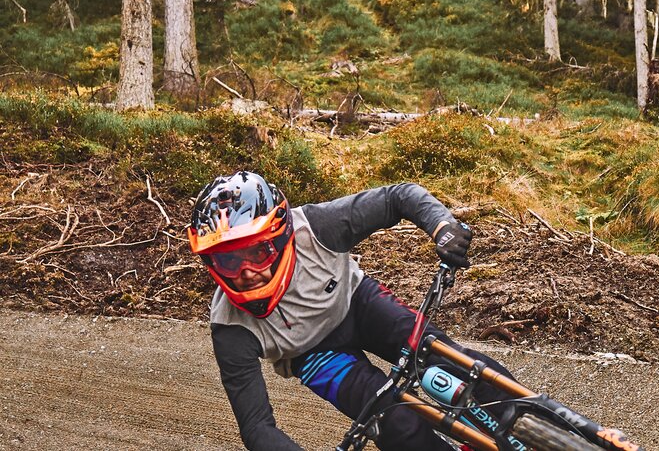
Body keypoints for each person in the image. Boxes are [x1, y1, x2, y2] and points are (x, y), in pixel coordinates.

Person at [188, 171, 514, 450]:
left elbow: (397, 197)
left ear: (281, 234)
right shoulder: (230, 326)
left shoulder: (317, 227)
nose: (246, 271)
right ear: (211, 263)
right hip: (313, 355)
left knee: (461, 367)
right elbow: (257, 428)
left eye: (257, 252)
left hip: (357, 304)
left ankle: (535, 427)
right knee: (397, 424)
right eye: (228, 260)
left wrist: (441, 225)